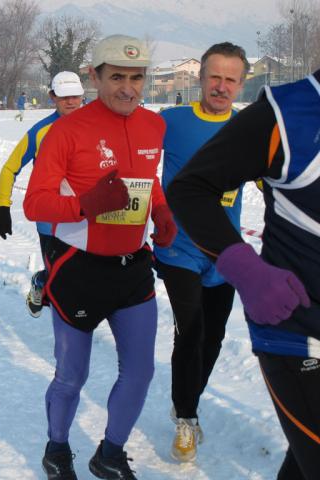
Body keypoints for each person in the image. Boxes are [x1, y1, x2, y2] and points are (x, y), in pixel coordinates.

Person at [24, 34, 176, 480]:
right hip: (80, 269)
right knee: (72, 376)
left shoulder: (153, 126)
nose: (128, 87)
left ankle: (109, 454)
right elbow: (36, 203)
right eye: (116, 78)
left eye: (136, 77)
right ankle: (57, 449)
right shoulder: (67, 131)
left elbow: (149, 180)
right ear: (95, 77)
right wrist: (86, 205)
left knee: (141, 372)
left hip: (132, 268)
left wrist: (162, 211)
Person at [167, 69, 320, 480]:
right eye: (214, 77)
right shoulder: (286, 111)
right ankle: (185, 410)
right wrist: (246, 270)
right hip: (299, 330)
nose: (221, 86)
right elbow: (189, 187)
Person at [153, 42, 250, 462]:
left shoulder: (251, 127)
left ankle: (185, 397)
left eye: (231, 79)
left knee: (214, 337)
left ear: (241, 83)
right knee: (190, 332)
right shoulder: (171, 121)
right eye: (215, 76)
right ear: (200, 77)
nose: (221, 86)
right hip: (178, 250)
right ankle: (187, 420)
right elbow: (132, 155)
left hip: (225, 252)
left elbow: (276, 179)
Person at [0, 71, 84, 318]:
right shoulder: (40, 132)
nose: (71, 102)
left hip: (85, 215)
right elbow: (10, 168)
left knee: (83, 274)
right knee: (60, 278)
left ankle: (49, 286)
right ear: (53, 97)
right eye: (64, 97)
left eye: (75, 96)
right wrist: (3, 207)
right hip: (50, 219)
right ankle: (45, 286)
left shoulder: (95, 126)